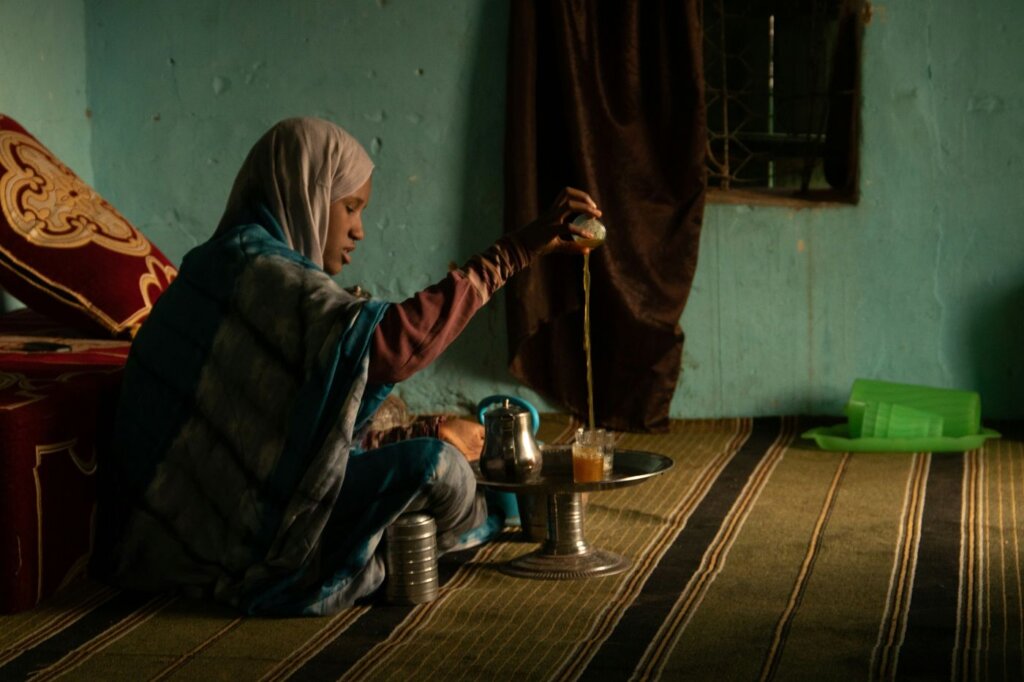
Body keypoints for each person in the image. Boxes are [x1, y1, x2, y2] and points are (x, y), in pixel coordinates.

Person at [95, 117, 601, 616]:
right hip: (235, 539)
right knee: (439, 469)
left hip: (166, 535)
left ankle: (391, 538)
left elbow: (299, 431)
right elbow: (394, 346)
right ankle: (406, 548)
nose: (359, 230)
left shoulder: (224, 266)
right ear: (305, 194)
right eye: (351, 207)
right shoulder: (258, 272)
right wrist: (514, 252)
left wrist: (423, 427)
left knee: (432, 453)